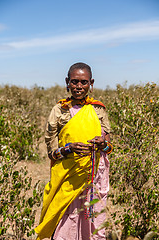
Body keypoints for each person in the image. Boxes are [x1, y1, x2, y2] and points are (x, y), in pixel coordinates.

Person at [35, 62, 113, 240]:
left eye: (84, 82)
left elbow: (109, 147)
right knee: (68, 218)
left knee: (95, 218)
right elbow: (51, 152)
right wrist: (68, 149)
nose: (79, 86)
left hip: (95, 175)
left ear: (91, 83)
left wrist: (102, 144)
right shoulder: (59, 111)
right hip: (68, 176)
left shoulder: (98, 109)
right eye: (75, 81)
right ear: (67, 82)